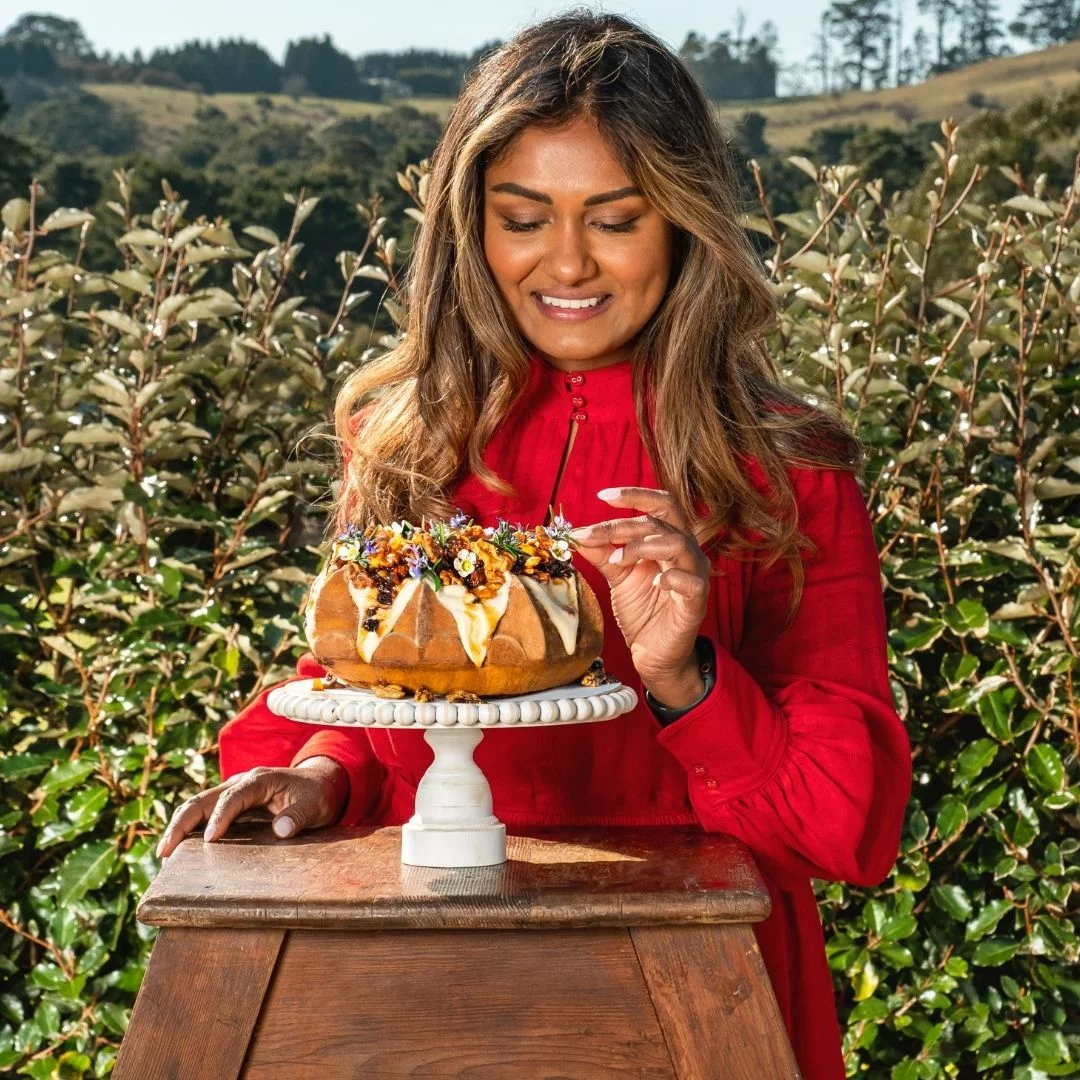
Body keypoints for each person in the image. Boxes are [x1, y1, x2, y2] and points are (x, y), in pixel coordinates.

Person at [156, 13, 911, 1077]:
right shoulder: (401, 443)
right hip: (420, 987)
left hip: (702, 991)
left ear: (683, 225)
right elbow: (364, 695)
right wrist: (318, 771)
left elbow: (845, 830)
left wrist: (687, 677)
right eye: (524, 217)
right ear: (471, 228)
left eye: (616, 219)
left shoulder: (788, 469)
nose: (567, 262)